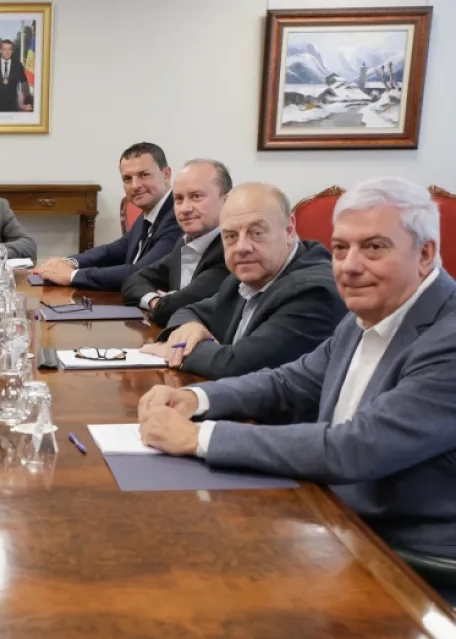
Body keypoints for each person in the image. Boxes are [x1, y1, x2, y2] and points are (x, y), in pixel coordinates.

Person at [138, 178, 456, 598]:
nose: (349, 265)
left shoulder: (447, 337)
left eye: (374, 247)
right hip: (332, 520)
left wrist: (198, 437)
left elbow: (354, 448)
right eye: (341, 248)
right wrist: (196, 398)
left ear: (425, 254)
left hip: (406, 564)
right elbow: (290, 381)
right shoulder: (369, 313)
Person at [140, 182, 346, 380]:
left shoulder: (313, 291)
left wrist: (175, 349)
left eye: (256, 233)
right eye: (230, 236)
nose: (241, 247)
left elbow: (238, 366)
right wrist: (189, 327)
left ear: (289, 229)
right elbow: (187, 311)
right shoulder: (245, 277)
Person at [36, 142, 183, 290]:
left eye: (144, 175)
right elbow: (117, 249)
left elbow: (141, 273)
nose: (135, 186)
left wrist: (72, 276)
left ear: (166, 175)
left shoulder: (179, 216)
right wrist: (71, 262)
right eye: (127, 179)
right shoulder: (151, 212)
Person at [121, 159, 232, 326]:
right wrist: (155, 300)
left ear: (226, 199)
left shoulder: (230, 251)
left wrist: (166, 304)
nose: (185, 209)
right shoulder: (184, 244)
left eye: (196, 196)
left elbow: (172, 309)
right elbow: (134, 280)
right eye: (179, 199)